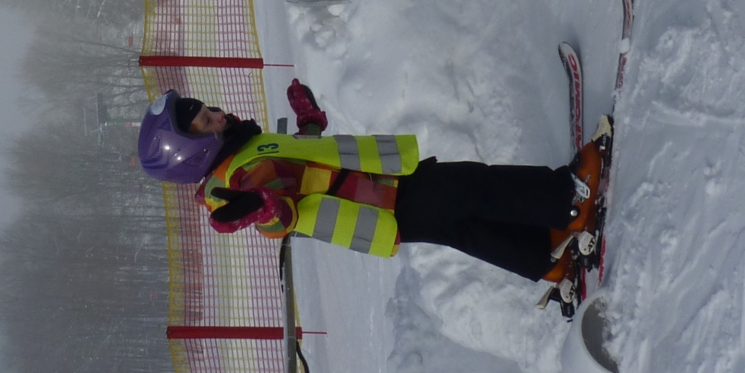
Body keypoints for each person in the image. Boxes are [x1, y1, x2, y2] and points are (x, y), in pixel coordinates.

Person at [136, 82, 604, 286]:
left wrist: (310, 121)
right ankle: (568, 199)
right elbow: (281, 215)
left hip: (381, 201)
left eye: (208, 108)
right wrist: (263, 208)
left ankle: (544, 255)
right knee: (473, 187)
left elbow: (299, 166)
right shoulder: (236, 179)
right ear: (190, 152)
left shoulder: (241, 152)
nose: (218, 114)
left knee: (462, 226)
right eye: (205, 120)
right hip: (380, 197)